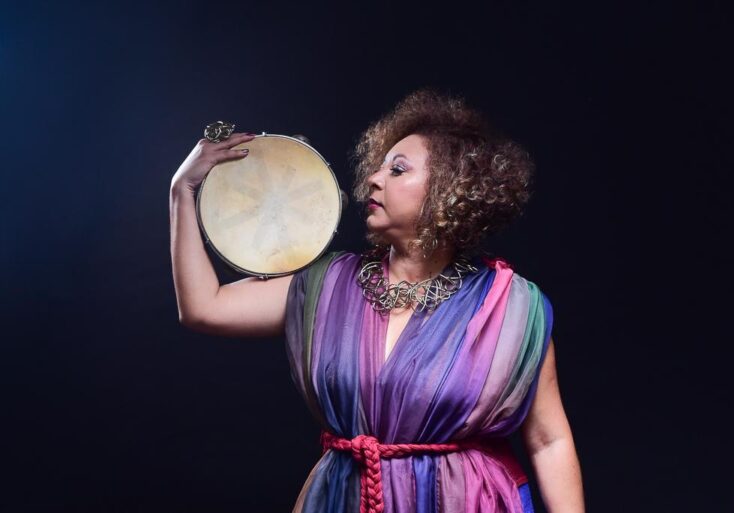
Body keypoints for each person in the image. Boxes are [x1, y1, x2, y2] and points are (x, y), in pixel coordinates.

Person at [169, 89, 585, 512]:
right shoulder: (328, 284)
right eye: (380, 165)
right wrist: (181, 191)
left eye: (398, 169)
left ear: (451, 189)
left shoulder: (510, 307)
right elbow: (204, 307)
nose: (374, 178)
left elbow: (549, 441)